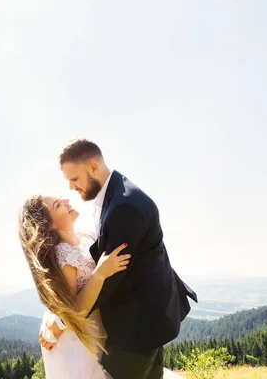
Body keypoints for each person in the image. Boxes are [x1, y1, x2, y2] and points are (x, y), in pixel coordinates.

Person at [41, 138, 197, 379]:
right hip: (146, 319)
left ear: (93, 167)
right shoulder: (115, 195)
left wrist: (64, 320)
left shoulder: (124, 206)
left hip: (136, 330)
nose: (71, 188)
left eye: (74, 179)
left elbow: (109, 277)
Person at [19, 195, 131, 378]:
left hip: (95, 334)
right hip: (77, 343)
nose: (67, 201)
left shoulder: (85, 237)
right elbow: (74, 310)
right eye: (58, 205)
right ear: (51, 226)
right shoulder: (63, 254)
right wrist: (101, 273)